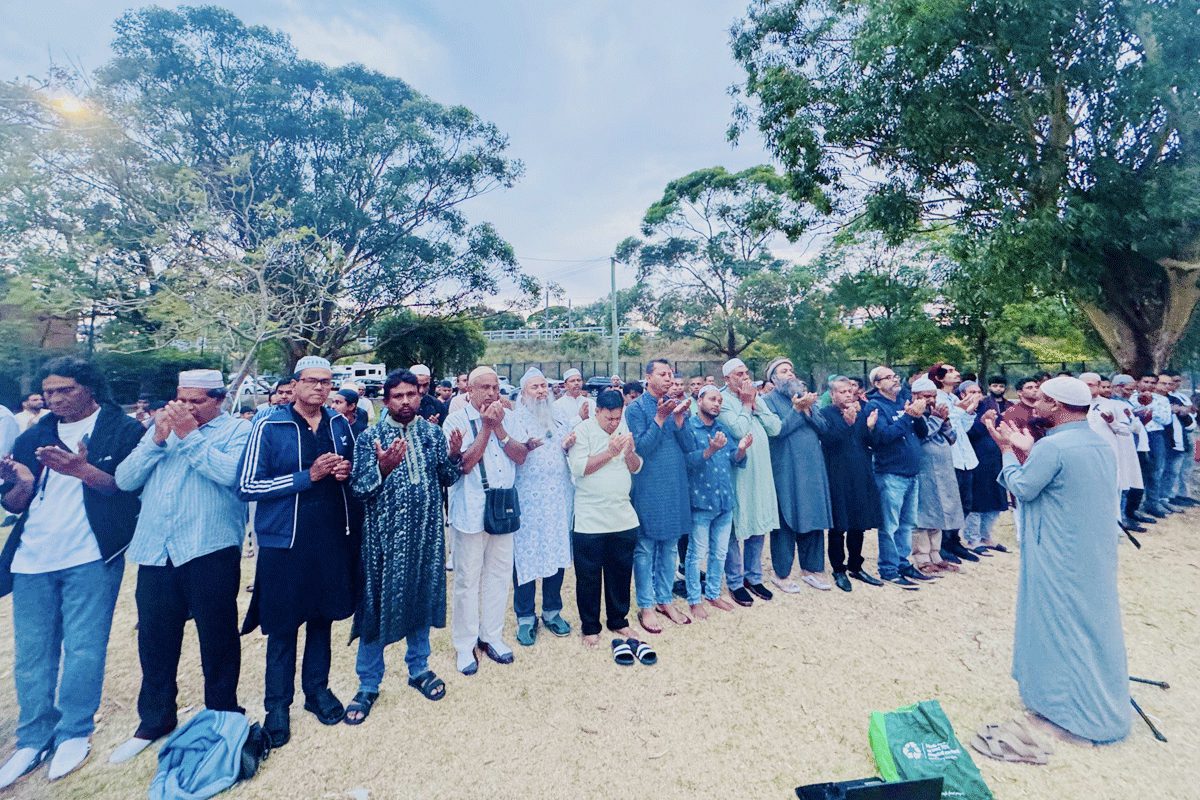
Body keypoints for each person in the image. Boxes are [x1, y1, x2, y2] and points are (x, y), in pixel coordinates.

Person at [0, 357, 144, 786]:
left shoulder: (122, 429)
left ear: (90, 388)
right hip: (32, 557)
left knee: (84, 648)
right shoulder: (34, 435)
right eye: (50, 392)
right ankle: (32, 736)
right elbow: (16, 504)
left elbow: (126, 487)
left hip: (89, 554)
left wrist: (81, 470)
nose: (55, 399)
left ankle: (74, 731)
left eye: (65, 390)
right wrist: (17, 481)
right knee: (32, 653)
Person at [108, 370, 251, 764]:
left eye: (197, 401)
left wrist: (189, 435)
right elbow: (124, 479)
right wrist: (157, 438)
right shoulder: (159, 431)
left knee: (218, 637)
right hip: (156, 550)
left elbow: (232, 477)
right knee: (154, 639)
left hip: (210, 547)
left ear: (219, 399)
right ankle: (154, 720)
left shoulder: (238, 432)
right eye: (181, 400)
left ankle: (222, 712)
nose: (186, 408)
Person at [986, 376, 1130, 744]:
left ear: (1059, 406)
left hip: (1058, 552)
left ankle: (1071, 714)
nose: (1036, 405)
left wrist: (1007, 449)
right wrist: (1031, 449)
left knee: (1060, 626)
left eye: (1045, 400)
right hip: (1089, 551)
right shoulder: (1096, 442)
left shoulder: (1055, 447)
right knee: (1088, 623)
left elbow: (1021, 487)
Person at [237, 356, 359, 748]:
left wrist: (344, 472)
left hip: (329, 537)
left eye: (327, 382)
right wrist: (310, 476)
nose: (320, 388)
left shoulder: (340, 424)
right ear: (294, 385)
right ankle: (277, 705)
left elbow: (354, 470)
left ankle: (317, 692)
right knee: (283, 626)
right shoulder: (269, 425)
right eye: (312, 381)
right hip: (283, 541)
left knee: (322, 618)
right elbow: (247, 485)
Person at [344, 370, 463, 723]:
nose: (407, 401)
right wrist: (382, 467)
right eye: (398, 396)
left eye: (412, 394)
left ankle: (419, 669)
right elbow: (360, 489)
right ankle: (368, 683)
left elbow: (446, 479)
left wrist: (454, 457)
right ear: (386, 400)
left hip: (426, 536)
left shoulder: (431, 433)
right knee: (375, 607)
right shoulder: (370, 438)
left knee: (420, 598)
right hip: (384, 541)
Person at [442, 366, 530, 675]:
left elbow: (520, 456)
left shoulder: (509, 416)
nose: (492, 393)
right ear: (469, 390)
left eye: (495, 387)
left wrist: (501, 428)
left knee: (500, 574)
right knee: (467, 580)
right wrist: (486, 428)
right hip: (470, 511)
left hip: (503, 508)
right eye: (484, 387)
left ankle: (491, 636)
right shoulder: (455, 420)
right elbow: (463, 465)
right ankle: (465, 645)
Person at [568, 389, 641, 647]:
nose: (613, 423)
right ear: (597, 411)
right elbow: (580, 468)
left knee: (620, 572)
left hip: (622, 515)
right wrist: (610, 452)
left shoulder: (623, 427)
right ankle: (590, 626)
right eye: (608, 418)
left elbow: (635, 466)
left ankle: (618, 620)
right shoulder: (583, 430)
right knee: (588, 576)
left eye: (617, 418)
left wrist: (629, 452)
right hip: (590, 517)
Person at [625, 359, 693, 633]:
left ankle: (665, 599)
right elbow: (640, 448)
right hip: (649, 485)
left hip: (675, 483)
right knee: (645, 546)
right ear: (648, 377)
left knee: (669, 545)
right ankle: (646, 604)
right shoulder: (635, 408)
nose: (668, 378)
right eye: (663, 374)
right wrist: (660, 418)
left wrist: (679, 420)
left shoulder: (674, 404)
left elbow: (688, 446)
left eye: (671, 374)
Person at [510, 368, 575, 646]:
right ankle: (525, 617)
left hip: (557, 500)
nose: (540, 391)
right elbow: (510, 454)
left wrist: (570, 445)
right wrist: (524, 447)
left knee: (555, 552)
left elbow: (569, 450)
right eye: (534, 387)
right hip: (526, 500)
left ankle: (552, 611)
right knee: (524, 557)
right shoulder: (513, 419)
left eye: (543, 387)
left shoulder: (559, 418)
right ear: (523, 392)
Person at [761, 358, 833, 592]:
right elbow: (777, 432)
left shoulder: (807, 397)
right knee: (786, 518)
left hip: (813, 470)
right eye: (784, 371)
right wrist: (796, 410)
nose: (790, 374)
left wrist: (809, 409)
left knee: (813, 515)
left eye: (791, 369)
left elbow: (824, 428)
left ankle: (811, 570)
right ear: (773, 379)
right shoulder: (767, 402)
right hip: (786, 470)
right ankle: (781, 574)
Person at [718, 358, 783, 606]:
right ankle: (735, 581)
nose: (744, 377)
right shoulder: (722, 399)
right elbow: (737, 429)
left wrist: (756, 404)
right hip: (738, 472)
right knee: (736, 525)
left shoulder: (756, 397)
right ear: (727, 379)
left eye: (746, 373)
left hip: (762, 472)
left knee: (759, 521)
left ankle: (754, 577)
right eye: (738, 374)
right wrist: (746, 404)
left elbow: (775, 428)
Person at [681, 385, 748, 617]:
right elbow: (687, 462)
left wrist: (740, 450)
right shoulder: (689, 427)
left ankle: (712, 593)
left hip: (724, 501)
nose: (717, 403)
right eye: (712, 399)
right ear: (699, 401)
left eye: (719, 400)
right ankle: (693, 598)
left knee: (719, 553)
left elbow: (734, 459)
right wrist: (709, 450)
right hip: (701, 502)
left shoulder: (722, 428)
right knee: (696, 554)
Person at [862, 365, 930, 589]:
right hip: (891, 473)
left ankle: (903, 563)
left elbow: (922, 433)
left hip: (911, 472)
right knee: (890, 525)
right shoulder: (875, 406)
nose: (894, 380)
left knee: (907, 523)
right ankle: (889, 568)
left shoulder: (902, 401)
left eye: (895, 376)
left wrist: (917, 417)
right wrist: (907, 418)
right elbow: (881, 437)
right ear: (877, 384)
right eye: (888, 377)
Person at [818, 378, 885, 591]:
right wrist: (847, 425)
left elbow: (870, 442)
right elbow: (829, 441)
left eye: (851, 390)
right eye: (843, 391)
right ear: (833, 394)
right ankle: (839, 569)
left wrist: (870, 427)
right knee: (839, 526)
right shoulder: (825, 414)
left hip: (861, 475)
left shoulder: (860, 412)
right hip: (838, 477)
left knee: (859, 524)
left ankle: (856, 565)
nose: (848, 395)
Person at [911, 378, 963, 576]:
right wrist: (937, 419)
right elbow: (923, 435)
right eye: (926, 396)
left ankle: (936, 554)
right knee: (924, 513)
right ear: (915, 396)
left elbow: (952, 438)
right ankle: (922, 557)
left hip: (943, 469)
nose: (931, 400)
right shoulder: (913, 414)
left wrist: (946, 420)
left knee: (940, 510)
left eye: (933, 396)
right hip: (923, 470)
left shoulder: (936, 414)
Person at [1002, 377, 1049, 463]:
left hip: (1047, 453)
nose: (1035, 390)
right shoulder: (1013, 412)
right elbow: (1013, 439)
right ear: (1020, 392)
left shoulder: (1045, 408)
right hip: (1026, 457)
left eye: (1037, 387)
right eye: (1030, 388)